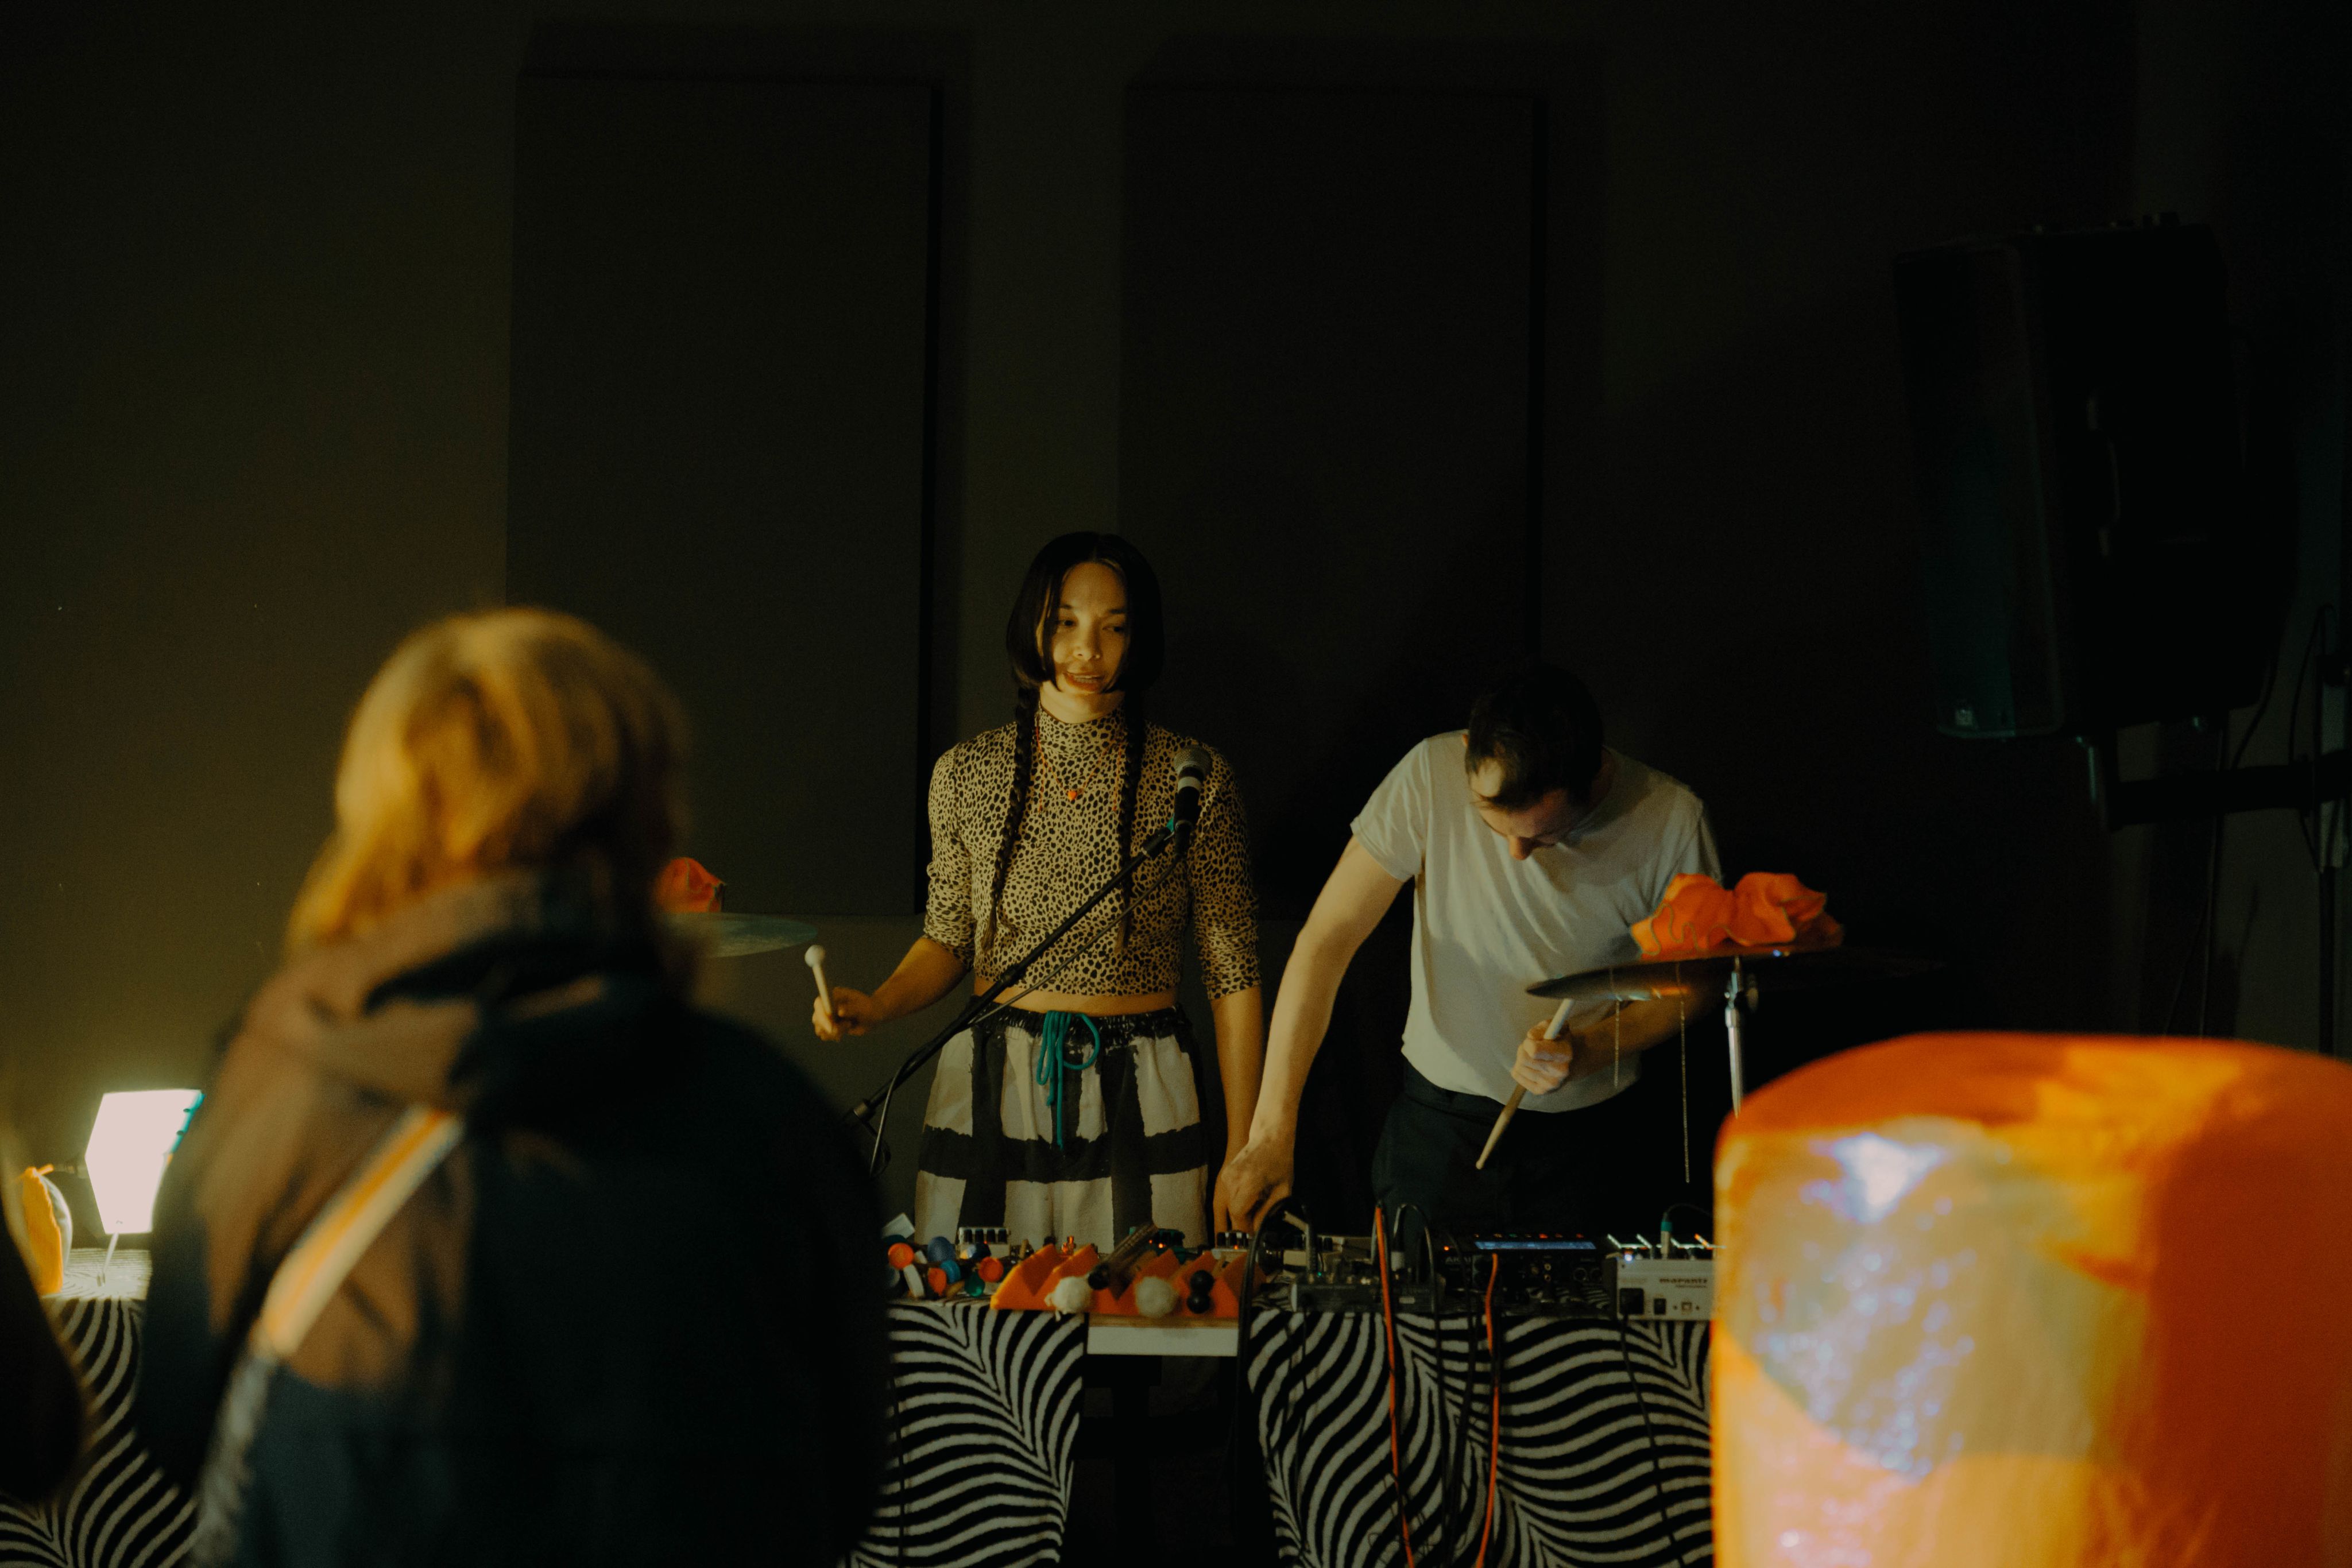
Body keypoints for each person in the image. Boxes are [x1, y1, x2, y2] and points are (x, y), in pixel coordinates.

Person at [135, 609, 882, 1566]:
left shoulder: (280, 1085)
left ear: (385, 813)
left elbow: (175, 1426)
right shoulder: (771, 1117)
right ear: (647, 810)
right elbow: (847, 1482)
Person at [815, 533, 1264, 1248]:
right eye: (1065, 622)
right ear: (1032, 625)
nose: (1088, 648)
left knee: (1144, 1304)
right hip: (992, 1076)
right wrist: (878, 1003)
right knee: (977, 1306)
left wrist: (1247, 1145)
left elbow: (1232, 973)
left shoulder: (1194, 777)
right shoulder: (965, 773)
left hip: (1143, 1081)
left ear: (1139, 637)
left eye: (1114, 627)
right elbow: (948, 936)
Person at [1219, 666, 1721, 1239]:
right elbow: (1326, 941)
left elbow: (1696, 986)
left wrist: (1587, 1049)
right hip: (1439, 1128)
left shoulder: (1672, 819)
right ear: (1467, 748)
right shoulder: (1430, 772)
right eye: (1495, 824)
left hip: (1589, 1142)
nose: (1516, 854)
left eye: (1544, 836)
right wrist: (1270, 1134)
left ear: (1593, 775)